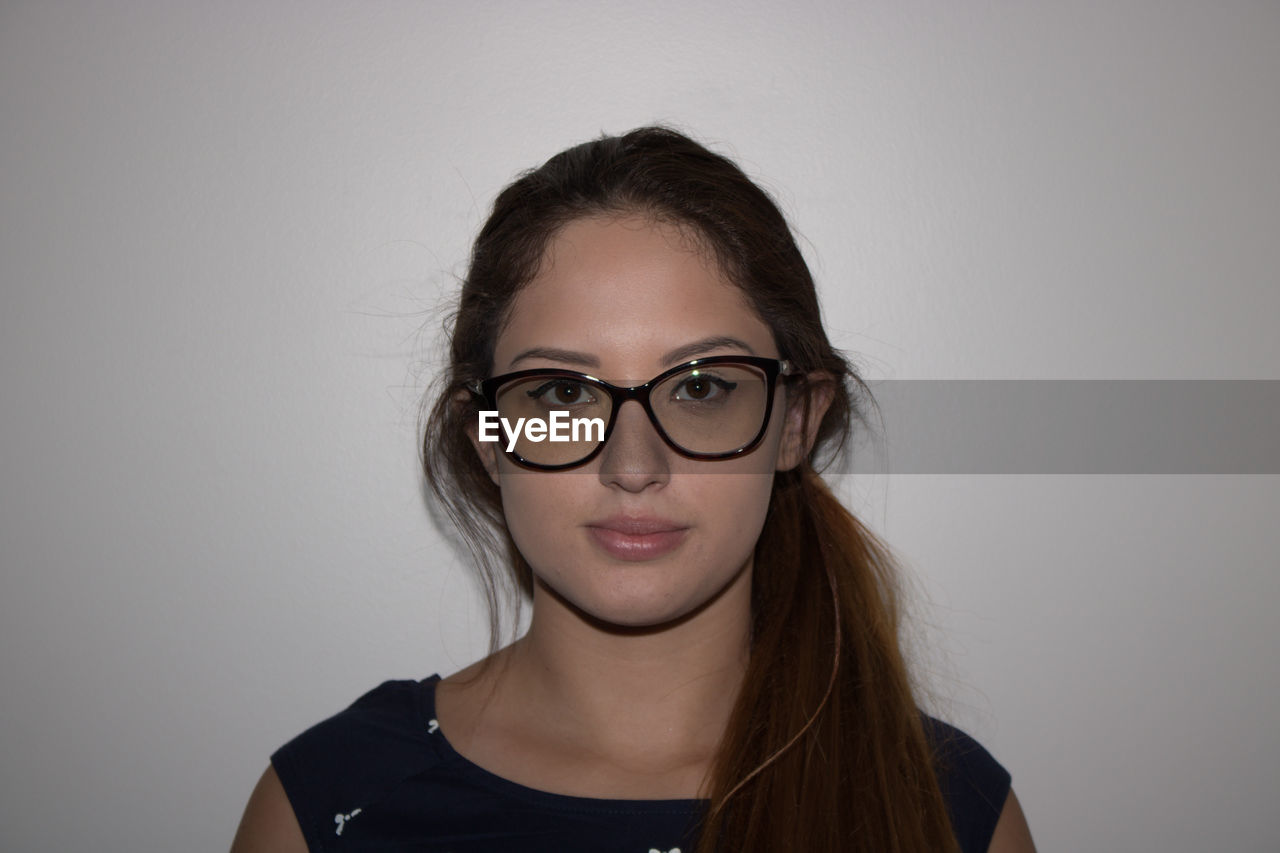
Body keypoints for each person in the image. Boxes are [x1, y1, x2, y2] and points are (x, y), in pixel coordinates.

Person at [230, 126, 1036, 853]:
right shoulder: (329, 807)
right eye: (561, 394)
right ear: (487, 435)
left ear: (796, 419)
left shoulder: (948, 812)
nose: (634, 466)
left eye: (702, 388)